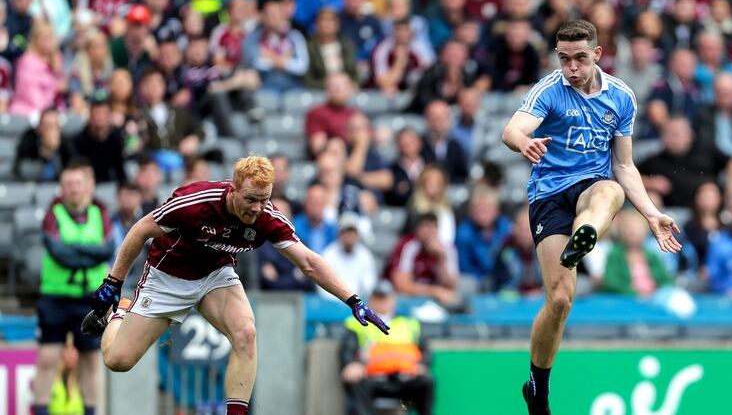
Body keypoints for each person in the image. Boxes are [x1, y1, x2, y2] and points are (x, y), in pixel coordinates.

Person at [80, 156, 389, 415]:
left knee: (246, 333)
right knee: (118, 361)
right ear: (233, 189)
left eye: (264, 200)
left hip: (216, 276)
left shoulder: (267, 217)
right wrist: (114, 282)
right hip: (167, 278)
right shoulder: (194, 201)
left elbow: (308, 261)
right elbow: (138, 231)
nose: (257, 208)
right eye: (251, 199)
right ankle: (119, 313)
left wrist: (353, 300)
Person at [501, 20, 681, 415]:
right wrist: (524, 142)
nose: (572, 68)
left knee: (611, 190)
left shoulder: (621, 97)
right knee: (561, 300)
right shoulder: (550, 90)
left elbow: (624, 165)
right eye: (564, 59)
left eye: (580, 58)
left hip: (592, 190)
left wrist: (651, 214)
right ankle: (537, 386)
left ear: (597, 54)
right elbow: (512, 129)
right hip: (549, 196)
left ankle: (585, 235)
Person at [33, 162, 115, 415]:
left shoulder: (99, 213)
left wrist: (76, 249)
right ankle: (41, 410)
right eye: (67, 184)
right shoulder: (52, 215)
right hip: (55, 297)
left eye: (77, 183)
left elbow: (108, 250)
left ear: (86, 185)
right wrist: (90, 253)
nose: (73, 189)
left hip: (90, 299)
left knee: (91, 360)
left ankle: (91, 411)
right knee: (48, 357)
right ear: (62, 187)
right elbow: (59, 253)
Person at [339, 281, 433, 415]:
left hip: (405, 378)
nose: (381, 301)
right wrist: (352, 364)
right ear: (370, 300)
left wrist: (422, 364)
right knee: (355, 381)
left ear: (393, 299)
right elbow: (347, 350)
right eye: (377, 297)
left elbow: (426, 351)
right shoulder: (357, 323)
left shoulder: (409, 324)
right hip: (373, 378)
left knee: (426, 381)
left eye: (385, 297)